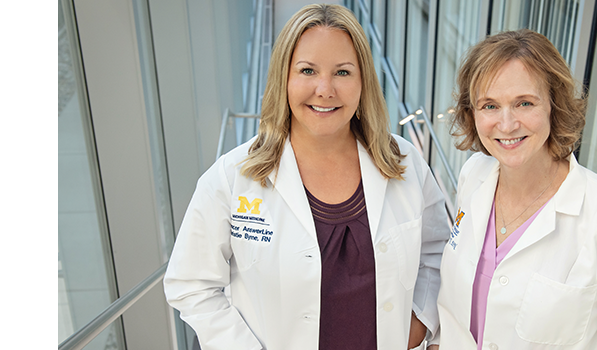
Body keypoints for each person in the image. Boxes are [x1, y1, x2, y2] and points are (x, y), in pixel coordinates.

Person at [163, 4, 449, 350]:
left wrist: (419, 323)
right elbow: (190, 283)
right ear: (284, 78)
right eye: (308, 70)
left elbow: (437, 252)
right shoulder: (233, 177)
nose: (325, 89)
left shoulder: (404, 162)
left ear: (363, 82)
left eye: (342, 72)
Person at [435, 29, 597, 349]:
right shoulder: (474, 175)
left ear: (553, 105)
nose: (506, 123)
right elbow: (454, 310)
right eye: (489, 106)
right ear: (471, 113)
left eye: (524, 103)